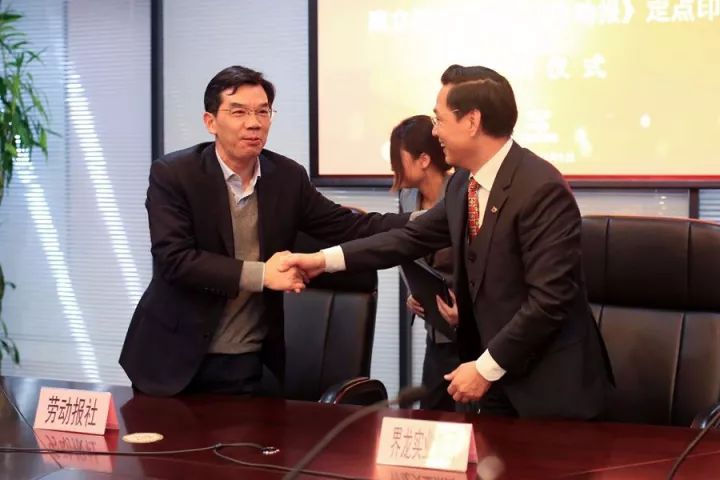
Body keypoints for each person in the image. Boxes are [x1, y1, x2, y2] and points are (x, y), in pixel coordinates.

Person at [282, 64, 613, 419]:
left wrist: (484, 368)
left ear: (472, 121)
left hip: (550, 390)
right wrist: (322, 261)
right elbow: (409, 237)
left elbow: (549, 300)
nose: (434, 131)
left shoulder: (541, 188)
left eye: (439, 119)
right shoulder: (462, 184)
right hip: (494, 385)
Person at [119, 65, 409, 397]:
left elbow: (350, 226)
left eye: (262, 112)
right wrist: (262, 275)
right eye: (238, 112)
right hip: (170, 360)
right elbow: (175, 260)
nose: (253, 123)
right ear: (210, 121)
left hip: (246, 360)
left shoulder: (286, 177)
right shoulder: (174, 174)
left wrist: (426, 221)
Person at [389, 114, 460, 411]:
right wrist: (412, 294)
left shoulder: (461, 192)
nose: (393, 167)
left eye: (398, 158)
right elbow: (406, 251)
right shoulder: (407, 198)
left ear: (424, 160)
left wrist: (467, 312)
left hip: (470, 334)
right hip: (436, 329)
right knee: (431, 417)